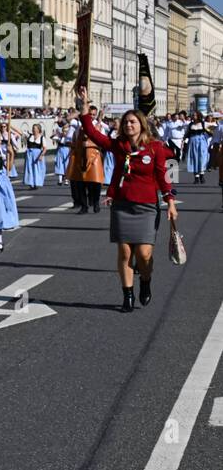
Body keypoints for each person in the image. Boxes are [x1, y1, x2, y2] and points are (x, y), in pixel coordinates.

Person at [75, 86, 178, 312]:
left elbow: (163, 176)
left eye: (133, 122)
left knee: (144, 253)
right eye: (126, 122)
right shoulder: (118, 146)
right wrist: (84, 109)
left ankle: (146, 281)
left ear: (141, 124)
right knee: (124, 252)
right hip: (122, 205)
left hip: (147, 206)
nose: (129, 125)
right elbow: (93, 133)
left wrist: (170, 202)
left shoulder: (155, 148)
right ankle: (127, 296)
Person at [183, 111, 212, 183]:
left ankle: (202, 175)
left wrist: (212, 133)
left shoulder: (203, 123)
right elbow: (187, 134)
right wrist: (183, 140)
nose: (193, 116)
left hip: (201, 141)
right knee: (194, 158)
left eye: (195, 115)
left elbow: (210, 132)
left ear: (198, 116)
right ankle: (196, 177)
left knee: (202, 158)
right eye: (193, 115)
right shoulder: (190, 124)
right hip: (193, 141)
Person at [23, 123, 47, 188]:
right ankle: (30, 183)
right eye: (33, 128)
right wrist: (10, 126)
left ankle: (36, 182)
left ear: (38, 129)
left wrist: (41, 155)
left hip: (37, 155)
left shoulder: (42, 138)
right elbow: (19, 132)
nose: (34, 130)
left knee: (37, 169)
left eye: (35, 128)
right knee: (29, 168)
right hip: (30, 155)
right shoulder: (30, 136)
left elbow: (45, 148)